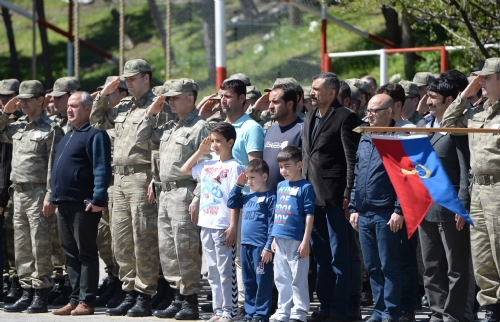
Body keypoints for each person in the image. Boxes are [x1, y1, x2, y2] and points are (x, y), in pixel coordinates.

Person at [90, 59, 171, 317]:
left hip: (142, 177)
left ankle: (145, 294)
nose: (129, 83)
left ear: (147, 77)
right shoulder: (123, 106)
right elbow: (96, 120)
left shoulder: (159, 105)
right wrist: (104, 95)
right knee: (121, 240)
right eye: (126, 79)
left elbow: (162, 146)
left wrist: (155, 179)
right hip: (120, 179)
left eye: (133, 78)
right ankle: (129, 291)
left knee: (143, 238)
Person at [135, 78, 208, 319]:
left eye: (175, 97)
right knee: (168, 249)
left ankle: (190, 301)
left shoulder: (200, 128)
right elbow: (142, 140)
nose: (170, 102)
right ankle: (178, 296)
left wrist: (197, 197)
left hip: (184, 193)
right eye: (169, 98)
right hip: (164, 193)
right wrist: (151, 114)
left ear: (190, 98)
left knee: (185, 248)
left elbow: (206, 168)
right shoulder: (168, 128)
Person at [441, 57, 500, 322]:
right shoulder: (477, 111)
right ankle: (490, 307)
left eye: (486, 77)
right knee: (482, 255)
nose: (481, 82)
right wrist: (465, 94)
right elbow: (448, 124)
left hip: (499, 187)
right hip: (478, 189)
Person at [0, 80, 64, 313]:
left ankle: (41, 291)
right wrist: (5, 112)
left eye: (28, 100)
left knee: (40, 244)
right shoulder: (16, 126)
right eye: (21, 100)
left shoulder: (51, 128)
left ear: (40, 100)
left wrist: (50, 195)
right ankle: (26, 289)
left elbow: (53, 166)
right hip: (18, 192)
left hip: (39, 193)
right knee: (22, 245)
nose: (24, 104)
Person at [303, 72, 360, 322]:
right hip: (311, 199)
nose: (312, 92)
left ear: (331, 93)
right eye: (312, 88)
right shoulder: (310, 116)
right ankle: (325, 307)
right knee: (322, 257)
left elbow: (351, 158)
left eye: (316, 89)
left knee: (340, 257)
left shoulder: (346, 117)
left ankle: (340, 310)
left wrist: (349, 192)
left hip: (336, 198)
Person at [414, 77, 472, 322]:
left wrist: (463, 204)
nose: (427, 102)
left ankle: (454, 315)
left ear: (450, 100)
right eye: (427, 96)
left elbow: (464, 168)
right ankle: (437, 313)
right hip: (425, 207)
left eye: (433, 97)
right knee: (431, 266)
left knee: (455, 267)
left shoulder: (457, 127)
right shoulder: (425, 125)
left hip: (450, 207)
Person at [48, 91, 112, 315]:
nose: (69, 109)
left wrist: (98, 199)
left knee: (86, 252)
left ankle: (87, 300)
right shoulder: (68, 135)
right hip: (63, 202)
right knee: (70, 254)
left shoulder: (95, 134)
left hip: (83, 203)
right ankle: (74, 299)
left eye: (75, 106)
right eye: (69, 106)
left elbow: (102, 169)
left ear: (87, 109)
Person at [349, 94, 403, 322]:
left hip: (385, 212)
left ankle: (391, 312)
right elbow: (358, 173)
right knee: (372, 266)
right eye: (367, 111)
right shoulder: (365, 136)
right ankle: (379, 310)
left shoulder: (399, 137)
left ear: (389, 112)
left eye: (374, 111)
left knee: (389, 266)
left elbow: (406, 177)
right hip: (364, 212)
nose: (368, 115)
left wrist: (399, 210)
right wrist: (354, 206)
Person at [181, 122, 242, 322]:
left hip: (223, 226)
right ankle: (218, 310)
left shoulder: (234, 167)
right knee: (213, 272)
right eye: (213, 141)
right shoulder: (208, 165)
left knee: (226, 271)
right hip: (206, 224)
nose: (214, 145)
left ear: (230, 142)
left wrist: (233, 226)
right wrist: (200, 151)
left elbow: (235, 199)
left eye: (219, 141)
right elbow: (185, 169)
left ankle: (230, 310)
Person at [221, 78, 265, 317]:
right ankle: (228, 305)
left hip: (245, 202)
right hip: (221, 204)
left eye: (228, 96)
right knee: (224, 258)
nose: (223, 100)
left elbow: (254, 172)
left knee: (242, 258)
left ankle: (248, 307)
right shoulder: (222, 128)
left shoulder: (250, 129)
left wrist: (237, 212)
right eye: (221, 96)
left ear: (242, 99)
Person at [270, 145, 315, 322]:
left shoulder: (306, 187)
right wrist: (274, 238)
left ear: (299, 165)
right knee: (281, 277)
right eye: (281, 167)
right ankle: (283, 310)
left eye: (287, 166)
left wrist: (305, 241)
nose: (283, 170)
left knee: (298, 277)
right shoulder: (281, 186)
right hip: (279, 238)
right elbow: (277, 212)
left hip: (297, 240)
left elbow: (309, 215)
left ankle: (300, 311)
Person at [227, 159, 276, 322]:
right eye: (247, 178)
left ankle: (261, 314)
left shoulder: (270, 197)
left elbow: (272, 224)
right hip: (245, 245)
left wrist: (268, 247)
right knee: (248, 281)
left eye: (252, 178)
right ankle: (250, 312)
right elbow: (232, 202)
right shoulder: (247, 196)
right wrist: (238, 186)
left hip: (260, 247)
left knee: (262, 281)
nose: (249, 182)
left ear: (264, 176)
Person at [0, 78, 21, 304]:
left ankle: (16, 280)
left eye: (9, 96)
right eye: (2, 96)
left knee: (16, 239)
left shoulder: (24, 123)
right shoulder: (2, 122)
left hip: (15, 190)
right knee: (5, 240)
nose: (5, 100)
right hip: (2, 190)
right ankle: (6, 279)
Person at [261, 83, 303, 192]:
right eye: (270, 102)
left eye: (275, 102)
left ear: (289, 104)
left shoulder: (302, 129)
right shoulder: (270, 130)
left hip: (291, 199)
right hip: (267, 200)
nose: (270, 106)